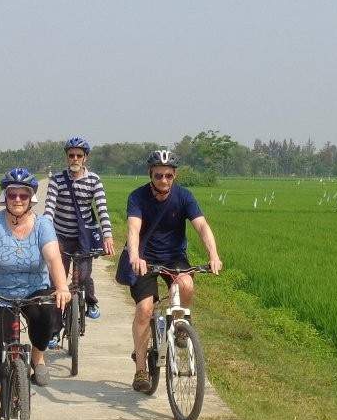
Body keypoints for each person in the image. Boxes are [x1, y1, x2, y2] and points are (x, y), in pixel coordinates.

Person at [0, 168, 71, 420]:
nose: (18, 199)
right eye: (12, 194)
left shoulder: (43, 225)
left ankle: (37, 356)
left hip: (35, 290)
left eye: (24, 194)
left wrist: (61, 286)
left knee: (46, 322)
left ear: (31, 198)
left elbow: (53, 258)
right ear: (5, 197)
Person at [126, 149, 223, 393]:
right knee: (144, 309)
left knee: (187, 285)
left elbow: (201, 225)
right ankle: (140, 369)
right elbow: (133, 229)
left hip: (174, 257)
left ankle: (180, 326)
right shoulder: (137, 197)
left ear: (175, 175)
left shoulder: (184, 196)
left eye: (168, 176)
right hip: (145, 258)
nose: (164, 181)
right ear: (151, 174)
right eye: (158, 176)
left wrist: (213, 255)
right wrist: (135, 256)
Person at [43, 137, 115, 339]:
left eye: (79, 155)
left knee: (83, 276)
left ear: (85, 158)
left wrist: (107, 235)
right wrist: (46, 234)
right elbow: (49, 207)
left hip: (84, 238)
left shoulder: (94, 180)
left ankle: (91, 300)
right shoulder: (57, 179)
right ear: (67, 157)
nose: (75, 158)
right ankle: (54, 331)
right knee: (57, 284)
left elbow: (102, 209)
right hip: (61, 236)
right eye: (71, 155)